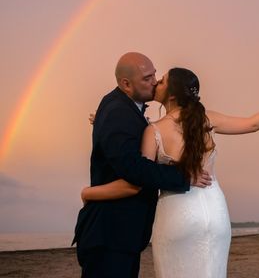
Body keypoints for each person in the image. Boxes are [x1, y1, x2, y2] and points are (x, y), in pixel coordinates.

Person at [81, 66, 259, 277]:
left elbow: (140, 176)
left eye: (162, 80)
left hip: (178, 214)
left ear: (172, 96)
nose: (156, 82)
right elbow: (252, 124)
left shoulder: (153, 130)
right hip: (216, 213)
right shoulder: (207, 119)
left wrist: (89, 191)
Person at [73, 52, 212, 278]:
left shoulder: (122, 107)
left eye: (155, 74)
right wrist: (185, 176)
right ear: (126, 84)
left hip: (121, 236)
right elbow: (134, 170)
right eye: (147, 78)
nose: (155, 81)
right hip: (110, 234)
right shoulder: (118, 112)